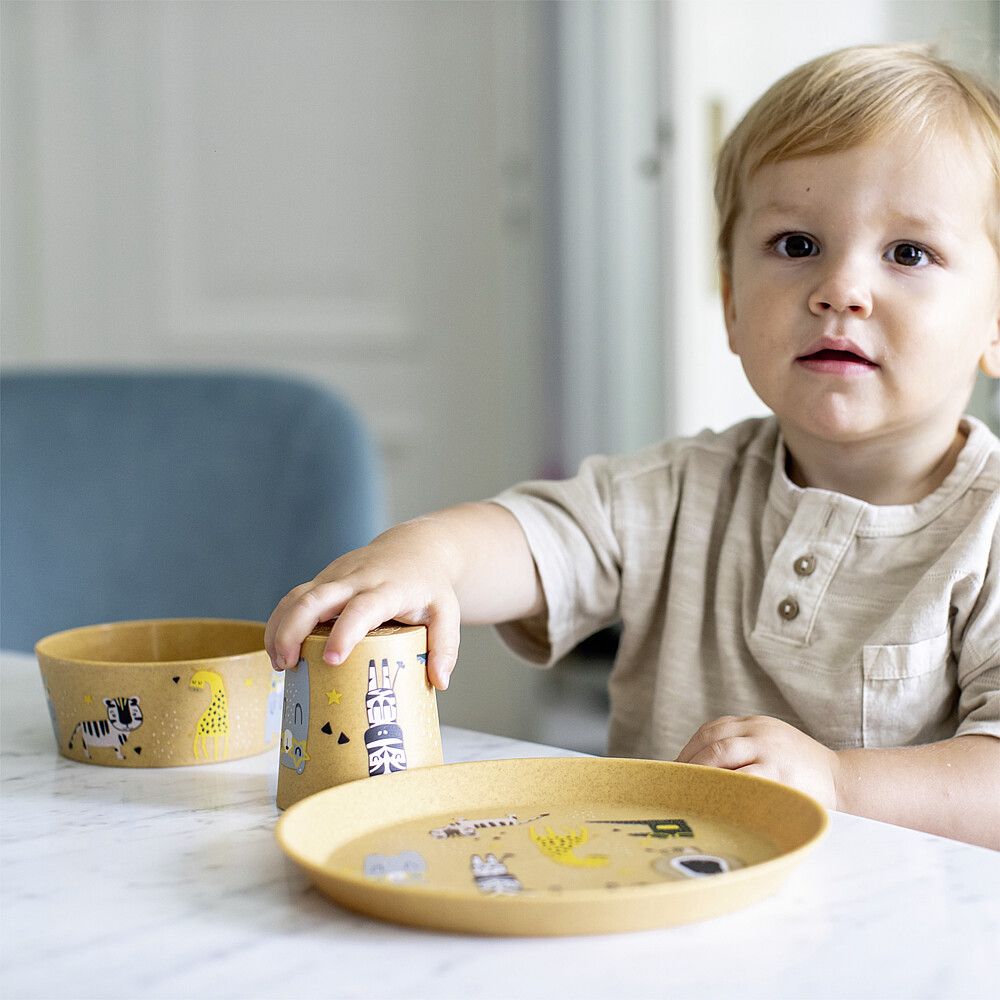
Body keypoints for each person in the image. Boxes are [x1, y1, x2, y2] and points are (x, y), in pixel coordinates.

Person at [266, 44, 1000, 849]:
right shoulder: (680, 488)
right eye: (797, 245)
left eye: (909, 253)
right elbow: (537, 539)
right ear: (731, 302)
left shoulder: (988, 528)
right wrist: (427, 557)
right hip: (653, 900)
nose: (841, 290)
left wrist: (838, 782)